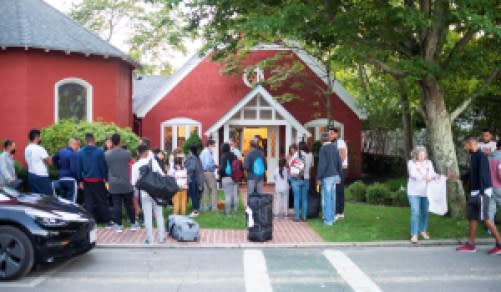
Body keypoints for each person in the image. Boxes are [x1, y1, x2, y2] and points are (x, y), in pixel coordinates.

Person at [456, 136, 501, 255]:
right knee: (472, 218)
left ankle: (500, 244)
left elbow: (484, 175)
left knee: (486, 219)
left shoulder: (481, 156)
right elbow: (472, 173)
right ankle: (470, 245)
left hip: (482, 193)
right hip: (475, 192)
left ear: (471, 144)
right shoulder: (474, 156)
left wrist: (482, 193)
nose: (465, 147)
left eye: (466, 145)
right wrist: (459, 177)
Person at [131, 144, 166, 244]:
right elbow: (162, 175)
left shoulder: (135, 166)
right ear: (147, 152)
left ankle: (150, 239)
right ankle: (161, 237)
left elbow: (134, 183)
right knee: (159, 215)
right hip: (157, 192)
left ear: (138, 153)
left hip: (145, 193)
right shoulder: (153, 162)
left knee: (148, 217)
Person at [407, 146, 440, 243]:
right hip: (413, 192)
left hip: (426, 192)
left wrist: (437, 177)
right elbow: (412, 174)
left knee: (424, 212)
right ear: (416, 155)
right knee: (415, 212)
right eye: (420, 154)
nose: (422, 156)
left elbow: (433, 174)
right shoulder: (411, 163)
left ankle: (423, 230)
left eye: (424, 154)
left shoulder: (429, 163)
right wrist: (423, 178)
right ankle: (414, 234)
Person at [78, 133, 113, 227]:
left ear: (86, 141)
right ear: (94, 140)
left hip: (86, 180)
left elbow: (79, 168)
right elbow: (103, 166)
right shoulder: (99, 151)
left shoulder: (80, 152)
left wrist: (80, 181)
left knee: (88, 202)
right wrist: (105, 178)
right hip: (98, 180)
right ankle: (107, 221)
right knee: (102, 201)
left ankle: (90, 222)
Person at [105, 133, 138, 233]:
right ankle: (133, 224)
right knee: (129, 204)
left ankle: (118, 226)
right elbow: (131, 162)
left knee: (116, 205)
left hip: (113, 183)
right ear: (120, 141)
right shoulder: (127, 153)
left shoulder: (107, 154)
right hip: (126, 182)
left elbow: (106, 167)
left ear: (111, 142)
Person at [316, 133, 342, 225]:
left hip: (327, 176)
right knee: (332, 198)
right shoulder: (335, 147)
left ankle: (327, 221)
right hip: (335, 176)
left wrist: (318, 177)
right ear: (329, 139)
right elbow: (339, 162)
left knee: (327, 199)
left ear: (321, 141)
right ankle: (332, 218)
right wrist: (340, 175)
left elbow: (322, 164)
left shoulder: (323, 149)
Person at [290, 141, 314, 222]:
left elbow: (290, 164)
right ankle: (304, 216)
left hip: (297, 178)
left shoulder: (297, 154)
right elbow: (311, 167)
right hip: (306, 178)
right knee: (305, 199)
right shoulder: (310, 155)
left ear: (299, 147)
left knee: (296, 198)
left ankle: (296, 217)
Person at [24, 129, 53, 195]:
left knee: (36, 197)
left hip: (31, 175)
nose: (41, 138)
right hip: (41, 176)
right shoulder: (39, 148)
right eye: (40, 136)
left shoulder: (27, 148)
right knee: (47, 198)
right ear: (37, 137)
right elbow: (50, 162)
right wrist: (50, 158)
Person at [329, 127, 348, 219]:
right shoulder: (333, 143)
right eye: (329, 134)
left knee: (338, 191)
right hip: (336, 169)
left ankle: (339, 212)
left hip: (341, 169)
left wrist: (337, 168)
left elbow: (343, 155)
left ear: (337, 134)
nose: (330, 135)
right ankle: (339, 211)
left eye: (332, 133)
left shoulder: (340, 142)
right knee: (337, 190)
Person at [52, 137, 80, 201]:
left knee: (63, 201)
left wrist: (59, 167)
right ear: (74, 144)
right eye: (78, 144)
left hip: (61, 179)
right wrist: (79, 181)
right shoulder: (74, 154)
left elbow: (54, 159)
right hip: (71, 180)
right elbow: (74, 170)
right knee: (71, 202)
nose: (78, 147)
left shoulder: (61, 151)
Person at [219, 143, 238, 215]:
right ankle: (235, 211)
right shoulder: (234, 155)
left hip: (226, 177)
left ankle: (227, 212)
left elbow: (222, 169)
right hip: (235, 177)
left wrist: (219, 172)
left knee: (228, 195)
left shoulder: (223, 156)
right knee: (235, 195)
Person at [185, 145, 204, 217]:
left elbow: (192, 168)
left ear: (190, 150)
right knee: (196, 194)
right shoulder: (197, 157)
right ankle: (197, 208)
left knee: (193, 195)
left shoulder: (192, 157)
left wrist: (185, 169)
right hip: (197, 178)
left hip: (192, 178)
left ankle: (195, 210)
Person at [199, 139, 218, 212]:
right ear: (210, 145)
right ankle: (214, 208)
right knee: (213, 190)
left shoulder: (203, 152)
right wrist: (214, 165)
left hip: (203, 173)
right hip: (209, 172)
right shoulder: (207, 152)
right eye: (214, 144)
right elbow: (207, 165)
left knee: (205, 191)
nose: (215, 146)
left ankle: (205, 207)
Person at [487, 140, 501, 227]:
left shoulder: (489, 157)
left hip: (488, 187)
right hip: (499, 187)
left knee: (491, 209)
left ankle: (490, 229)